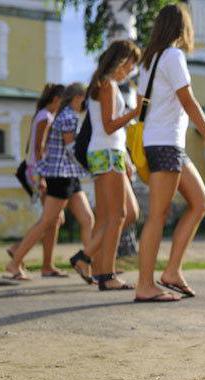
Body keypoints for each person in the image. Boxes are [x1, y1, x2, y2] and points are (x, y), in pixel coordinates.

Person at [134, 4, 205, 302]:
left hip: (163, 143)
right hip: (165, 143)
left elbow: (140, 107)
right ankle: (145, 285)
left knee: (200, 202)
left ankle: (172, 271)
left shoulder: (149, 61)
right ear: (183, 28)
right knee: (157, 216)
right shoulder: (173, 56)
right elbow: (189, 102)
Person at [67, 40, 141, 291]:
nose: (132, 68)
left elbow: (105, 127)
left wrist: (127, 158)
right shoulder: (107, 84)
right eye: (131, 62)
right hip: (107, 153)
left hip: (110, 153)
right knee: (118, 215)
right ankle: (104, 272)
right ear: (121, 59)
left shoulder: (104, 84)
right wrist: (135, 111)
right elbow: (109, 126)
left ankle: (91, 262)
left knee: (121, 214)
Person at [5, 83, 95, 282]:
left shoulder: (63, 115)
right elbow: (72, 149)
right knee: (47, 221)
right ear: (78, 97)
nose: (87, 103)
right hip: (59, 175)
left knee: (87, 219)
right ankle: (14, 261)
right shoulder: (68, 117)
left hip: (70, 175)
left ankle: (87, 267)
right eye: (85, 98)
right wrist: (93, 164)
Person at [7, 83, 69, 278]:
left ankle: (45, 264)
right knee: (51, 219)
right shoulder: (46, 117)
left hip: (38, 171)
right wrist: (42, 176)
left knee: (53, 220)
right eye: (64, 101)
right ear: (56, 99)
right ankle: (17, 256)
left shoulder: (43, 115)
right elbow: (38, 148)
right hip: (40, 172)